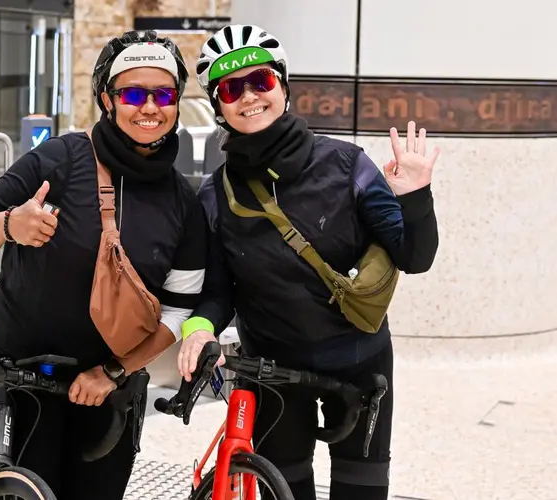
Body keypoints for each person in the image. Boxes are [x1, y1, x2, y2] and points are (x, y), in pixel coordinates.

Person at [177, 24, 441, 500]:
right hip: (273, 372)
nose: (249, 97)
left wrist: (416, 197)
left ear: (283, 86)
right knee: (288, 492)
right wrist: (198, 327)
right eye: (232, 89)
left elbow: (414, 257)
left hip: (360, 366)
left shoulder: (347, 166)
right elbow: (217, 292)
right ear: (218, 107)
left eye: (261, 81)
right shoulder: (216, 194)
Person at [0, 30, 207, 499]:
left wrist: (113, 372)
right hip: (22, 382)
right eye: (133, 93)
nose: (149, 107)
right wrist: (11, 224)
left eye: (163, 94)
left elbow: (177, 310)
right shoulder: (60, 159)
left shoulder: (183, 201)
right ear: (107, 101)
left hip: (106, 393)